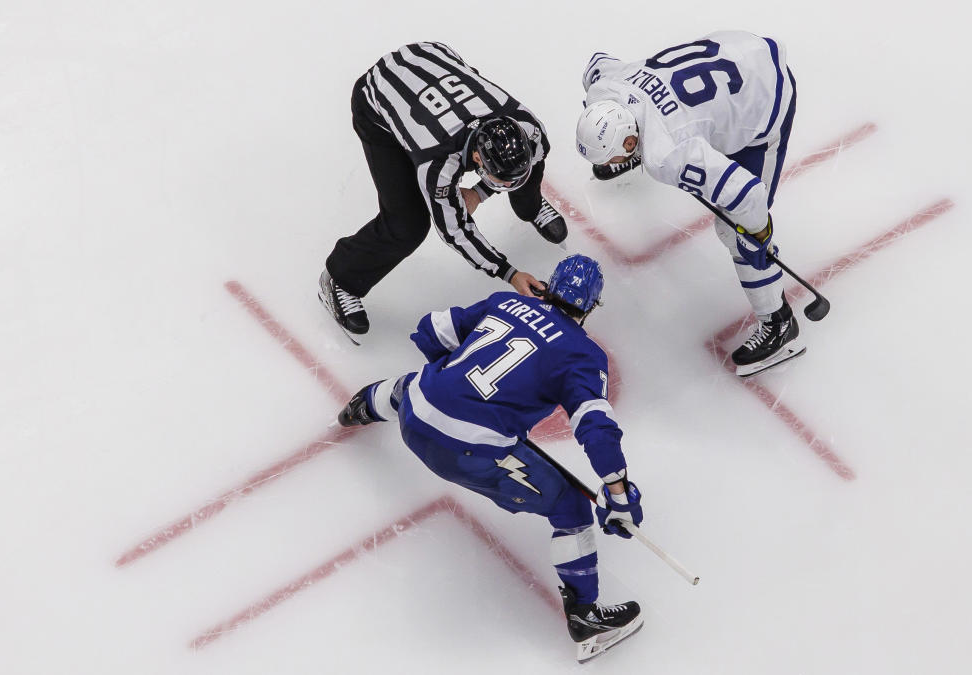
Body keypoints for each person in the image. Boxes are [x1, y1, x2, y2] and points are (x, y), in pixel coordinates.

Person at [336, 254, 644, 662]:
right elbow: (594, 427)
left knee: (415, 387)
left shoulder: (506, 302)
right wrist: (617, 489)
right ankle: (586, 618)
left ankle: (361, 406)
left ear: (550, 285)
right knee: (570, 507)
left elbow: (430, 331)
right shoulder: (583, 355)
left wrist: (456, 379)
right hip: (466, 450)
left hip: (415, 413)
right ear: (590, 306)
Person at [575, 31, 803, 377]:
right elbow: (597, 62)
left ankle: (779, 322)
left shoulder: (667, 155)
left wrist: (757, 236)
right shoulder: (604, 88)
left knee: (733, 230)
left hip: (765, 96)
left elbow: (748, 195)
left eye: (615, 154)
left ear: (634, 139)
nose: (608, 164)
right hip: (737, 47)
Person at [319, 41, 569, 341]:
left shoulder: (530, 129)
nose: (506, 185)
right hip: (376, 100)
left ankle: (530, 207)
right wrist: (509, 273)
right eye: (500, 180)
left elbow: (528, 164)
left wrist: (478, 192)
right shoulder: (437, 165)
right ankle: (341, 279)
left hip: (432, 56)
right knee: (407, 224)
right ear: (477, 158)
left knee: (524, 178)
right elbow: (457, 231)